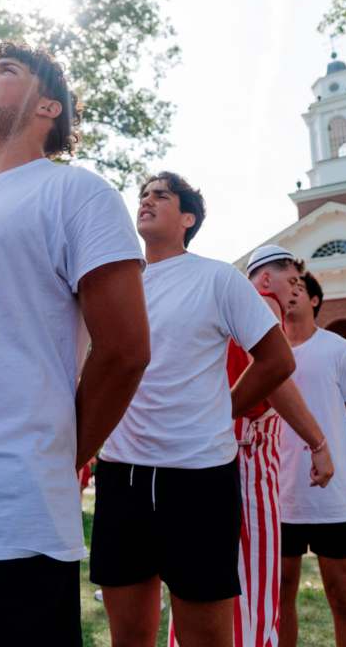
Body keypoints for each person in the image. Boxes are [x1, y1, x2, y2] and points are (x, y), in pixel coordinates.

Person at [0, 42, 150, 647]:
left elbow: (124, 352)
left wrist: (55, 457)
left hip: (6, 523)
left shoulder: (77, 194)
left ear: (49, 106)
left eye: (7, 69)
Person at [89, 172, 295, 647]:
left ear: (188, 219)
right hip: (123, 474)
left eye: (161, 195)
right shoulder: (114, 285)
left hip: (199, 476)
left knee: (205, 637)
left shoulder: (217, 277)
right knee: (129, 638)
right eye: (143, 195)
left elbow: (278, 359)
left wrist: (222, 411)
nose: (147, 201)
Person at [168, 246, 334, 647]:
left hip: (209, 455)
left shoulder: (218, 307)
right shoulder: (262, 304)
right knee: (252, 584)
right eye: (292, 281)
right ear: (264, 280)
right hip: (243, 454)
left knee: (203, 586)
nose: (297, 291)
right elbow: (276, 379)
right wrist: (318, 441)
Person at [279, 271, 346, 647]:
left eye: (298, 289)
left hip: (328, 498)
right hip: (279, 495)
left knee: (343, 596)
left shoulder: (340, 350)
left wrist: (334, 453)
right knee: (280, 596)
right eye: (285, 288)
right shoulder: (266, 353)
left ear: (315, 301)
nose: (290, 294)